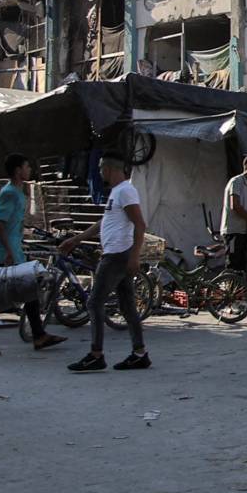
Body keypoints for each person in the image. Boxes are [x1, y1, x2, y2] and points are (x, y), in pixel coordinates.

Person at [0, 153, 66, 356]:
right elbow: (0, 225)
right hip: (2, 254)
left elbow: (13, 224)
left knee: (29, 290)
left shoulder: (19, 193)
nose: (29, 170)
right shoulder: (9, 193)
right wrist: (11, 252)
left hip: (13, 251)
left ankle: (38, 335)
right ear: (17, 171)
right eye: (26, 166)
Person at [59, 154, 149, 372]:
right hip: (117, 253)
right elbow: (105, 221)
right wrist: (77, 238)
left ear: (109, 169)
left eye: (101, 168)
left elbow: (140, 224)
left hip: (117, 255)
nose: (99, 173)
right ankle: (140, 354)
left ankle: (96, 354)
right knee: (127, 306)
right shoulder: (117, 193)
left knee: (94, 303)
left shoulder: (125, 191)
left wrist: (135, 256)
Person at [222, 153, 247, 277]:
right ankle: (229, 294)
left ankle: (239, 294)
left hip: (242, 231)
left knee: (241, 266)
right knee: (232, 265)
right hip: (233, 231)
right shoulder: (237, 181)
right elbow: (236, 206)